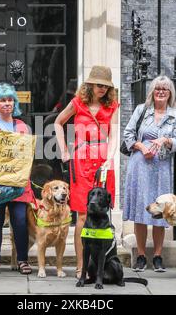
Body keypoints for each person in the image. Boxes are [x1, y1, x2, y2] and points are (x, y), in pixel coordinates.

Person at [54, 66, 119, 279]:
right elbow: (58, 122)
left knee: (101, 213)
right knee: (82, 214)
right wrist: (64, 150)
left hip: (102, 163)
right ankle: (82, 267)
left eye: (106, 86)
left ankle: (99, 266)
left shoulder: (112, 106)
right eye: (99, 85)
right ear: (90, 84)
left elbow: (114, 135)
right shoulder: (77, 103)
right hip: (81, 163)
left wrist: (109, 159)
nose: (102, 89)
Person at [123, 75, 176, 272]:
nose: (160, 92)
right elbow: (128, 134)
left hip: (161, 168)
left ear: (170, 93)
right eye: (157, 88)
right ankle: (141, 255)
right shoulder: (141, 110)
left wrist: (165, 140)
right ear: (152, 91)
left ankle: (157, 255)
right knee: (142, 210)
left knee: (160, 210)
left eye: (165, 89)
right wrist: (142, 147)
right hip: (139, 166)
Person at [0, 83, 35, 275]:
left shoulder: (22, 126)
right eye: (3, 100)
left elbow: (28, 153)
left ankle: (22, 259)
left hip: (18, 182)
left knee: (20, 221)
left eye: (10, 99)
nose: (7, 103)